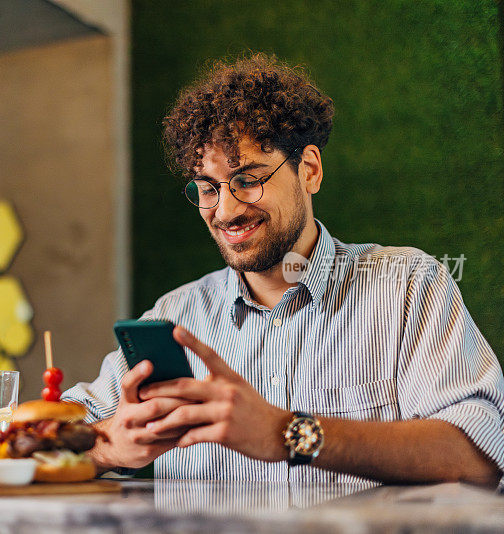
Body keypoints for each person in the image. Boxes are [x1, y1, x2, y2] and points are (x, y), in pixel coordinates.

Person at [62, 53, 504, 487]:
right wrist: (106, 449)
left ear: (309, 170)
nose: (226, 210)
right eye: (208, 188)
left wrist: (285, 433)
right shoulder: (176, 315)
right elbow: (43, 436)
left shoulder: (407, 286)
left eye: (248, 179)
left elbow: (478, 452)